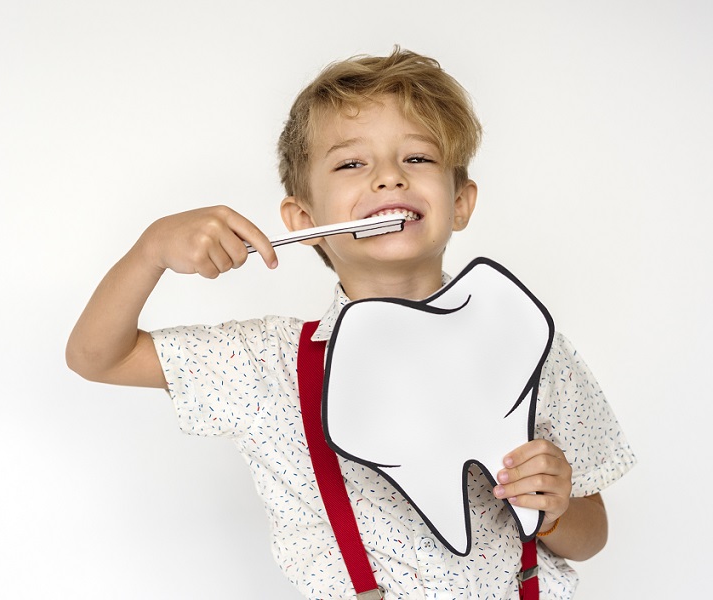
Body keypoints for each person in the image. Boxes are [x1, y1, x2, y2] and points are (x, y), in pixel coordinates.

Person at [66, 47, 636, 599]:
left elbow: (593, 536)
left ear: (460, 201)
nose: (388, 177)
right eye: (351, 163)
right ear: (303, 219)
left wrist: (555, 509)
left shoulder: (526, 340)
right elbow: (98, 356)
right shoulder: (267, 363)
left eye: (417, 157)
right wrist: (150, 252)